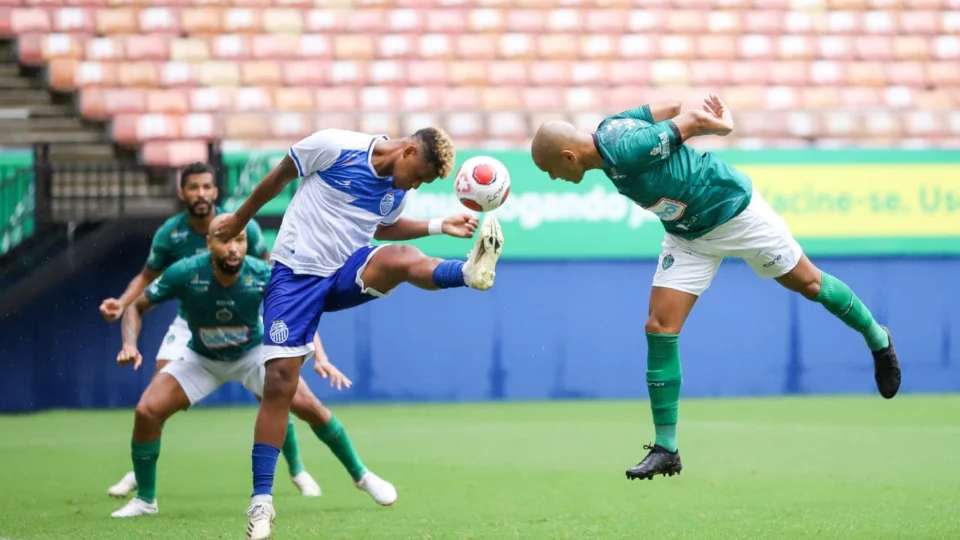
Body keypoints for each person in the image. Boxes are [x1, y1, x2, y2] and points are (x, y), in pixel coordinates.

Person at [529, 94, 901, 481]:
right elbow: (669, 107)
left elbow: (685, 120)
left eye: (550, 170)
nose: (553, 178)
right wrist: (685, 116)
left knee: (808, 283)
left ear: (569, 156)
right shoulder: (610, 130)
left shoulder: (623, 150)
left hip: (732, 211)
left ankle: (877, 337)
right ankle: (666, 448)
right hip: (688, 234)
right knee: (659, 326)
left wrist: (718, 124)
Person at [212, 127, 504, 540]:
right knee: (280, 383)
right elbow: (280, 176)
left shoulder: (399, 190)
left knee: (401, 259)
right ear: (405, 150)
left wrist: (439, 225)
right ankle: (262, 502)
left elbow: (382, 229)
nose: (415, 185)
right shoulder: (334, 145)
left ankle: (469, 273)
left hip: (345, 270)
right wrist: (240, 218)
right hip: (295, 275)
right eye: (417, 175)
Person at [110, 214, 395, 518]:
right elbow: (136, 307)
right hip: (202, 358)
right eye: (225, 240)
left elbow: (300, 312)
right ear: (209, 243)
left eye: (240, 240)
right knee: (146, 411)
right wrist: (129, 344)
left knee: (311, 407)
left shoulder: (262, 274)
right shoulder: (184, 272)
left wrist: (321, 358)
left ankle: (362, 476)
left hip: (253, 355)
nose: (233, 247)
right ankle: (145, 499)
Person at [99, 162, 322, 499]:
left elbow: (272, 276)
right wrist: (121, 301)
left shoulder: (242, 224)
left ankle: (296, 467)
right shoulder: (170, 233)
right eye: (193, 188)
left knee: (273, 391)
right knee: (160, 389)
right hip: (192, 322)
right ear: (182, 193)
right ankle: (141, 469)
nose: (201, 193)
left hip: (243, 318)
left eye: (207, 187)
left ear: (216, 192)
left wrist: (309, 342)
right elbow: (146, 279)